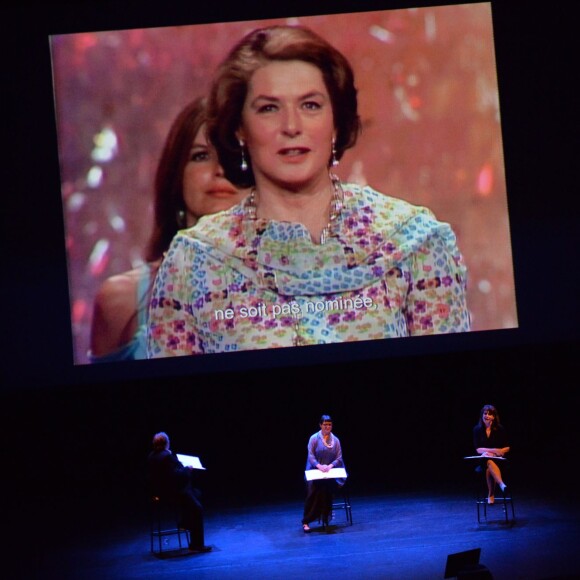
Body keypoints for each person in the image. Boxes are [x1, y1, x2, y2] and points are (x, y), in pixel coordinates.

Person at [147, 25, 470, 358]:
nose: (291, 126)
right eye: (268, 108)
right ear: (239, 128)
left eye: (311, 105)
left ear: (336, 122)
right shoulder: (193, 262)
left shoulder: (414, 243)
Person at [89, 97, 246, 362]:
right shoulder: (120, 301)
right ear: (177, 175)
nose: (220, 169)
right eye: (201, 156)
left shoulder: (302, 288)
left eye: (235, 155)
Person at [147, 431, 211, 552]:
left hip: (159, 493)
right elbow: (175, 476)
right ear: (167, 443)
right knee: (197, 509)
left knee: (197, 493)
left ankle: (185, 521)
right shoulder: (166, 456)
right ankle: (197, 544)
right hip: (172, 494)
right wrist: (187, 468)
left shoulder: (152, 456)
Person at [301, 415, 345, 532]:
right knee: (314, 490)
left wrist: (329, 466)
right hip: (315, 470)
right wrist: (319, 466)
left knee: (327, 490)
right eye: (325, 425)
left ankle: (326, 518)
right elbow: (310, 456)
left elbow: (339, 457)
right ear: (320, 425)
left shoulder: (335, 440)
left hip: (329, 472)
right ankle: (306, 521)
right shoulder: (314, 438)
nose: (327, 427)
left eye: (329, 425)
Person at [473, 404, 510, 505]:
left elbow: (507, 447)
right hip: (484, 461)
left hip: (498, 460)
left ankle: (491, 494)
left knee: (490, 466)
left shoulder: (500, 429)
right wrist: (493, 450)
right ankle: (502, 485)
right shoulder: (477, 429)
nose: (487, 416)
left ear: (494, 417)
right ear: (482, 415)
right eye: (485, 413)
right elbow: (478, 449)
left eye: (490, 414)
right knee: (488, 461)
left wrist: (499, 452)